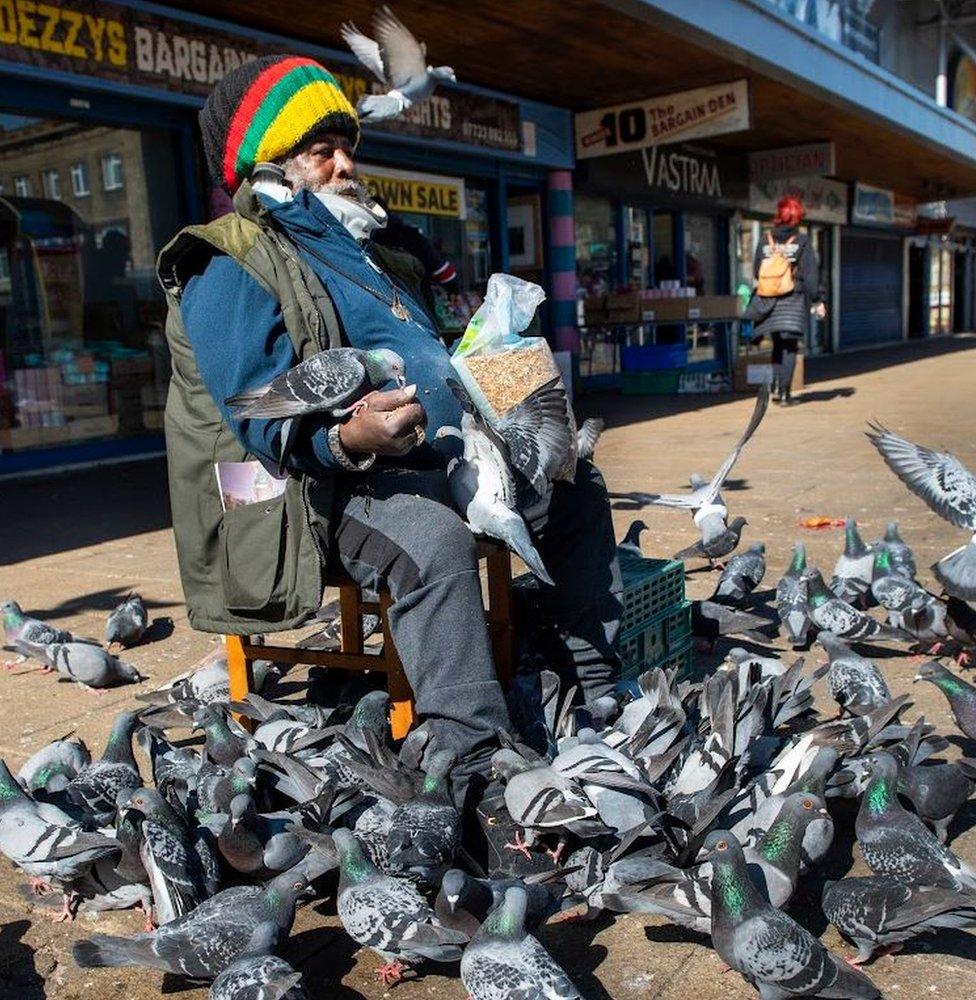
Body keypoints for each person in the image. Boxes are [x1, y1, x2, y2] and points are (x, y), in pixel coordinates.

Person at [155, 56, 622, 820]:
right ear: (268, 164)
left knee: (573, 486)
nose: (344, 163)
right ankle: (466, 757)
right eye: (319, 150)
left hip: (427, 457)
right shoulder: (227, 260)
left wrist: (503, 380)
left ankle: (598, 689)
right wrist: (352, 436)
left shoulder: (369, 250)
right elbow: (259, 418)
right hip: (304, 492)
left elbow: (434, 357)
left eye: (348, 144)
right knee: (431, 541)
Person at [747, 195, 826, 405]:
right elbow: (811, 276)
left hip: (769, 300)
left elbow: (756, 270)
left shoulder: (765, 240)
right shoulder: (802, 241)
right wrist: (817, 300)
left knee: (776, 344)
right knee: (790, 346)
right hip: (793, 299)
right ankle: (784, 394)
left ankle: (774, 386)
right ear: (797, 217)